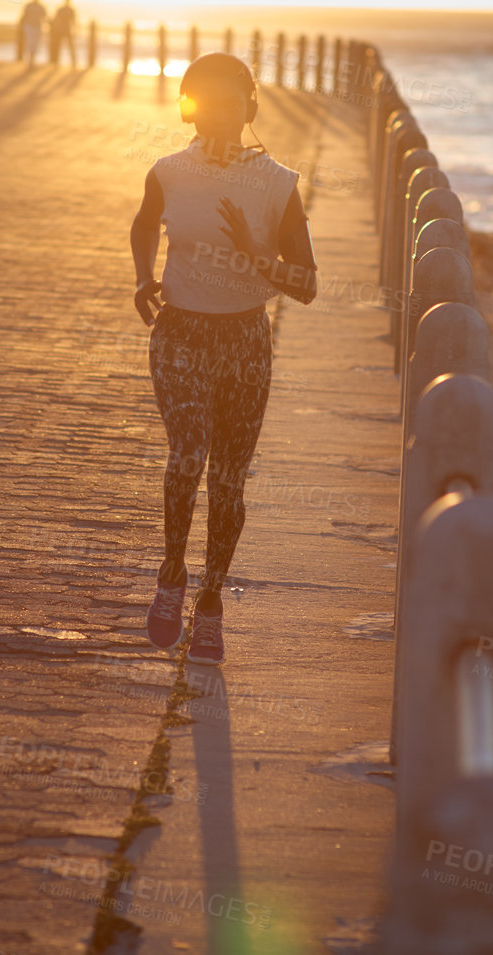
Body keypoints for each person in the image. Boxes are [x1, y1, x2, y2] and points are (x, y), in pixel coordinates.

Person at [129, 53, 319, 664]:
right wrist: (142, 276)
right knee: (187, 454)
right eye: (205, 101)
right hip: (180, 332)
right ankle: (171, 573)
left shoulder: (278, 183)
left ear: (250, 110)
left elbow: (307, 284)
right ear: (189, 107)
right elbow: (142, 223)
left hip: (245, 342)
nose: (219, 113)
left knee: (229, 481)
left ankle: (210, 603)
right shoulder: (168, 171)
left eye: (231, 102)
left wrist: (255, 253)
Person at [19, 0, 47, 67]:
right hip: (30, 26)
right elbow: (24, 15)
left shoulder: (39, 6)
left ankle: (31, 60)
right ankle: (30, 60)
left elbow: (44, 16)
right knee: (30, 43)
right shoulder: (31, 6)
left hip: (36, 26)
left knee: (34, 43)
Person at [49, 0, 77, 66]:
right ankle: (72, 62)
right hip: (63, 30)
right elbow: (73, 21)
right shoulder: (68, 9)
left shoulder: (65, 9)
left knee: (62, 46)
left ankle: (72, 62)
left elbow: (55, 19)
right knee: (63, 47)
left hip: (63, 30)